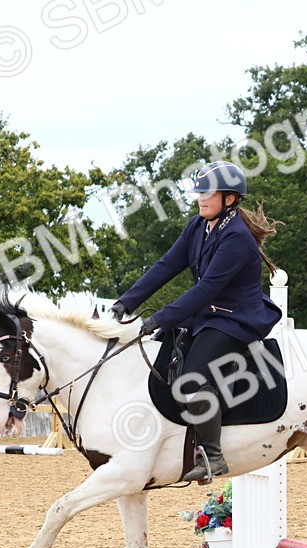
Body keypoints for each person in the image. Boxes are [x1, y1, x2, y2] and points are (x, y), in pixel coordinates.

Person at [110, 161, 282, 483]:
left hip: (235, 319)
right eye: (199, 192)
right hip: (209, 312)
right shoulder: (197, 226)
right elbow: (166, 266)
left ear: (229, 199)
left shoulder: (237, 238)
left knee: (192, 378)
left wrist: (161, 316)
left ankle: (213, 456)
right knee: (162, 346)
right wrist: (127, 301)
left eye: (208, 193)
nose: (201, 198)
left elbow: (207, 289)